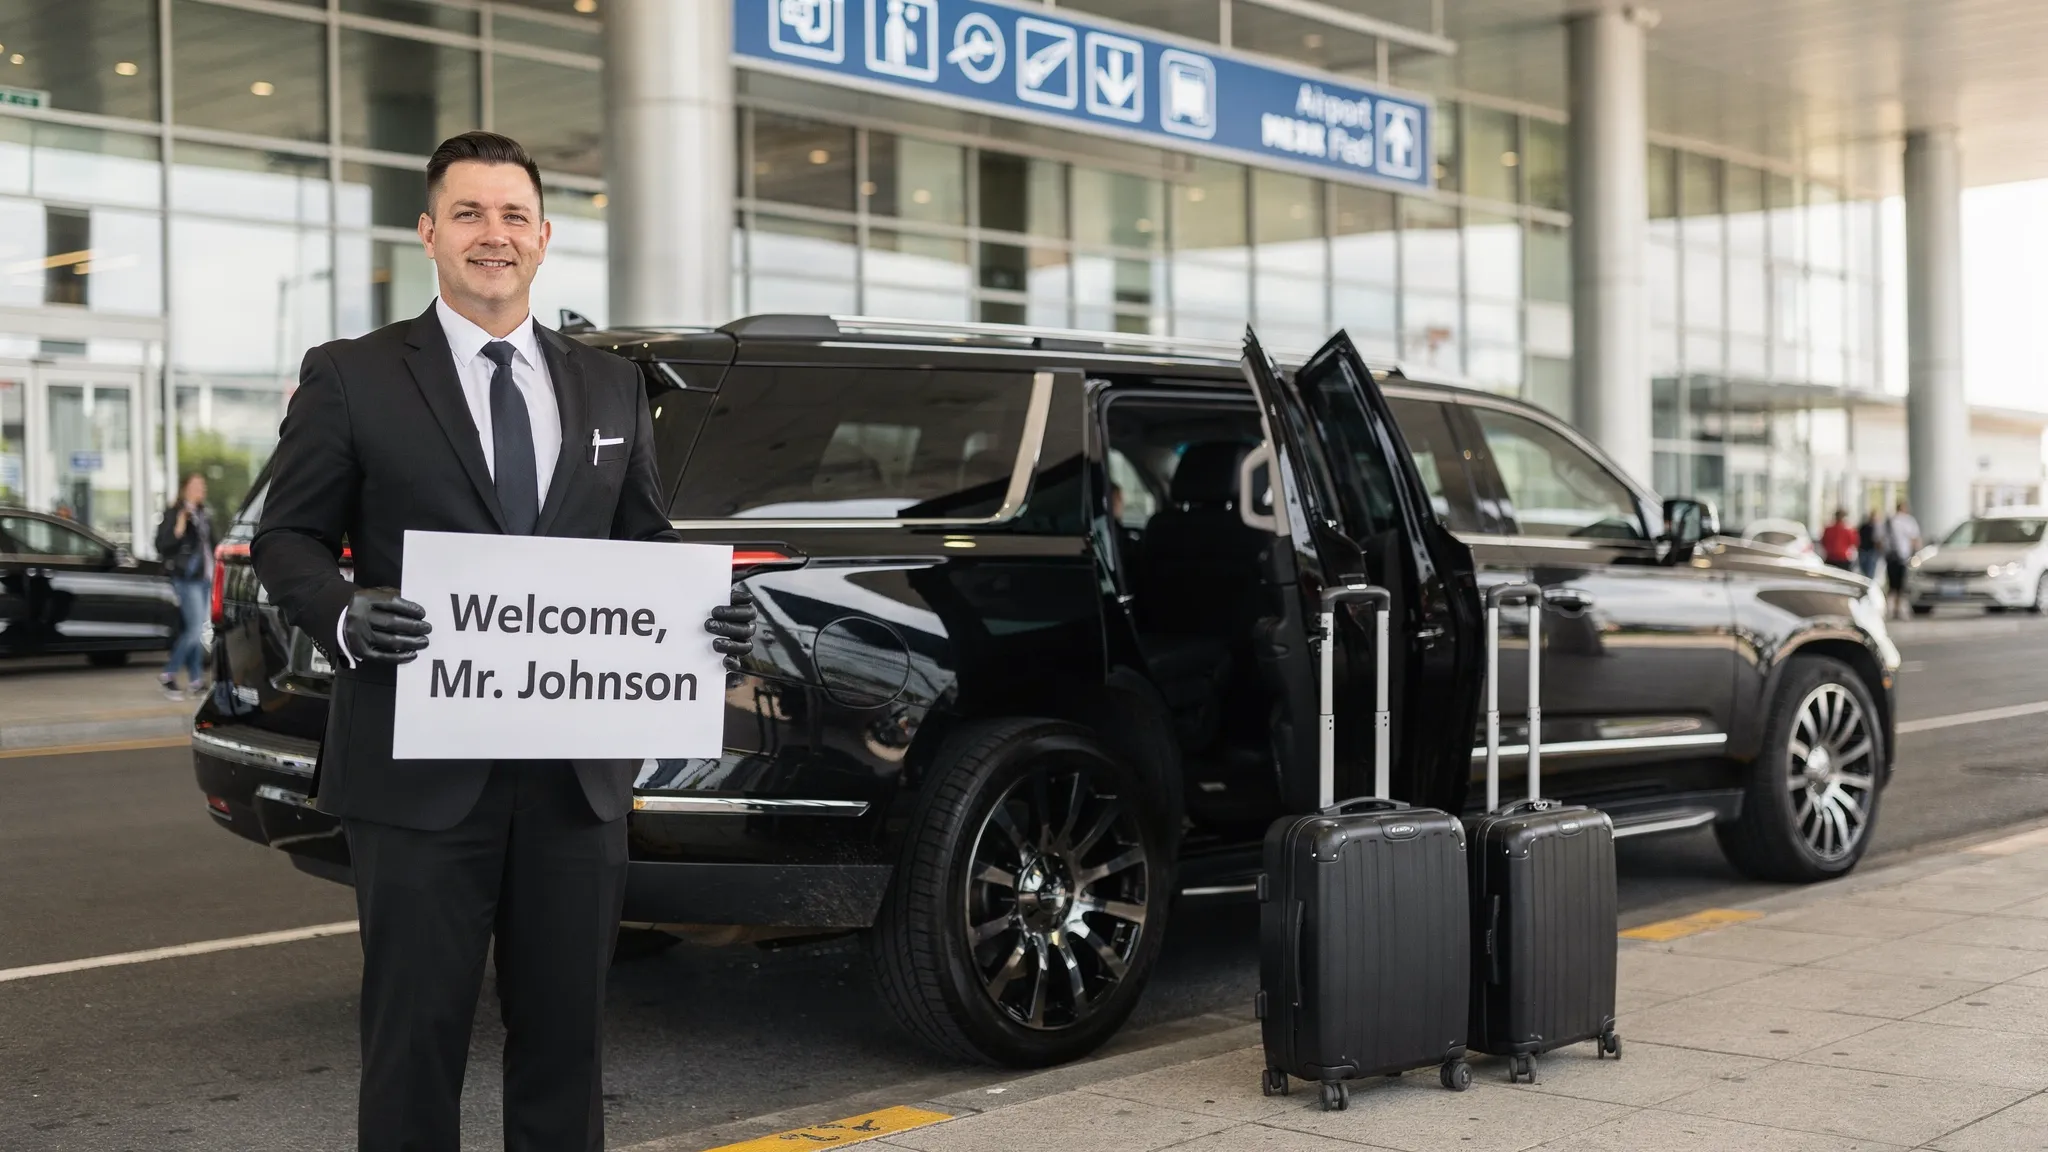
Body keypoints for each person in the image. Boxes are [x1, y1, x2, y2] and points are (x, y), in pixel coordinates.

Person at [251, 131, 757, 1152]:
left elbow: (642, 544)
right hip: (417, 774)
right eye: (471, 214)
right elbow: (285, 537)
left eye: (513, 215)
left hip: (574, 781)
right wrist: (344, 612)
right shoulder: (352, 376)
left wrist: (709, 618)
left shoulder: (610, 388)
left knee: (566, 1044)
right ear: (430, 233)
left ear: (544, 235)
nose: (495, 235)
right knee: (414, 1040)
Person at [154, 471, 213, 698]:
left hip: (203, 578)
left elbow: (211, 544)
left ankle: (196, 680)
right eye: (197, 485)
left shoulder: (202, 513)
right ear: (185, 488)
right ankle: (169, 674)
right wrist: (179, 525)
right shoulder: (175, 512)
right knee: (195, 629)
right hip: (187, 579)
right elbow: (162, 545)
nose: (201, 490)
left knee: (194, 630)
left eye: (203, 485)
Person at [1883, 498, 1923, 619]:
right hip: (1904, 556)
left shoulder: (1890, 521)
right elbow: (1915, 539)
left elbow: (1880, 540)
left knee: (1892, 584)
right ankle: (1897, 608)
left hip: (1890, 556)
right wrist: (1918, 554)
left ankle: (1890, 609)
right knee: (1901, 584)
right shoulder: (1909, 521)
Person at [1819, 508, 1858, 572]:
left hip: (1831, 558)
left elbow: (1823, 542)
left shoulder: (1828, 529)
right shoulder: (1848, 530)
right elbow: (1854, 543)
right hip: (1843, 558)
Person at [1856, 510, 1882, 581]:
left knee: (1870, 571)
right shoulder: (1864, 527)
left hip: (1871, 551)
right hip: (1863, 550)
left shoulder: (1877, 528)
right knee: (1864, 569)